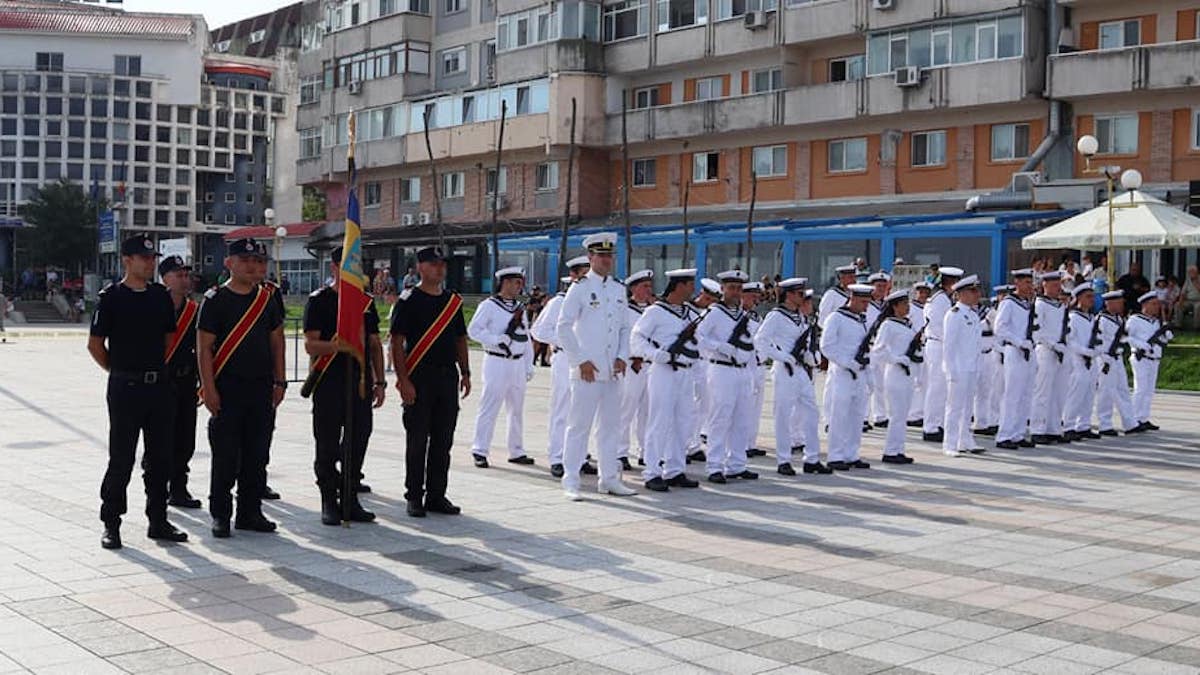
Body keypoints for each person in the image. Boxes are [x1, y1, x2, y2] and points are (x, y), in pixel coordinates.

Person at [86, 234, 188, 550]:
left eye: (152, 258)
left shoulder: (160, 296)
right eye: (144, 258)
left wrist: (151, 370)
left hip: (158, 386)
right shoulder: (111, 297)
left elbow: (169, 340)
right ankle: (112, 523)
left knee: (160, 458)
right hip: (125, 388)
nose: (150, 263)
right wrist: (120, 371)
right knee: (122, 458)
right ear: (127, 261)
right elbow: (95, 345)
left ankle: (158, 519)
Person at [197, 238, 285, 538]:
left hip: (261, 387)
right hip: (227, 387)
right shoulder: (215, 299)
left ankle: (250, 512)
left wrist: (280, 379)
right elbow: (204, 348)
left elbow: (277, 341)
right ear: (229, 263)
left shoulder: (267, 298)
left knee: (257, 453)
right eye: (246, 260)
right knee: (225, 455)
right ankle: (221, 514)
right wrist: (208, 389)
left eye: (259, 261)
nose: (253, 266)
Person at [302, 246, 385, 526]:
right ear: (335, 268)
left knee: (358, 438)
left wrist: (380, 381)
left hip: (360, 380)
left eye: (359, 266)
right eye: (349, 266)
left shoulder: (365, 302)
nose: (356, 272)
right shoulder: (320, 300)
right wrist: (335, 346)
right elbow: (310, 344)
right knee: (326, 441)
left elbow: (374, 343)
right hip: (328, 381)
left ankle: (350, 496)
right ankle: (328, 498)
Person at [555, 232, 637, 500]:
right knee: (578, 426)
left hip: (612, 371)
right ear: (590, 257)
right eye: (601, 256)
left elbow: (625, 328)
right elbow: (563, 327)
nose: (606, 260)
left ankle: (609, 478)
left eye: (609, 255)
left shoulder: (618, 289)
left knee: (611, 426)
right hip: (587, 371)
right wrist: (580, 360)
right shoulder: (579, 289)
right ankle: (571, 479)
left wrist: (623, 356)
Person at [390, 246, 470, 517]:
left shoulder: (452, 302)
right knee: (417, 439)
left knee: (443, 439)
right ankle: (414, 495)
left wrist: (466, 372)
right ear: (421, 267)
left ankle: (437, 495)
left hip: (447, 377)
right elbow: (397, 342)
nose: (440, 269)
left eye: (442, 265)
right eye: (434, 264)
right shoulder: (408, 300)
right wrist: (403, 380)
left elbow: (460, 338)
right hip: (419, 376)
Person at [630, 268, 703, 491]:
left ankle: (675, 469)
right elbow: (636, 338)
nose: (693, 289)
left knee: (683, 422)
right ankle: (652, 471)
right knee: (659, 421)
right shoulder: (655, 311)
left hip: (686, 371)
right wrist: (654, 354)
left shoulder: (690, 313)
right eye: (690, 284)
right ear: (679, 285)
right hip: (663, 371)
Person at [754, 279, 827, 475]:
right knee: (783, 415)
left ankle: (812, 458)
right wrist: (781, 356)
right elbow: (760, 341)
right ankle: (783, 460)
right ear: (788, 294)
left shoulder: (801, 318)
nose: (802, 297)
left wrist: (811, 357)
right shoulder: (776, 316)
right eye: (798, 293)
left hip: (801, 370)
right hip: (785, 369)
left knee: (812, 413)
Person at [529, 256, 593, 477]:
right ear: (573, 275)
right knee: (562, 408)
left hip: (588, 360)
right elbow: (538, 331)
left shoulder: (595, 300)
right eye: (583, 273)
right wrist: (566, 340)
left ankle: (579, 455)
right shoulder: (559, 302)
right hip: (565, 358)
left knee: (583, 409)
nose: (587, 277)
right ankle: (557, 456)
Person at [467, 266, 535, 468]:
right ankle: (480, 449)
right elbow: (474, 330)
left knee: (516, 409)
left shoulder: (518, 308)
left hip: (517, 363)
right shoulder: (489, 305)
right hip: (496, 361)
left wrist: (528, 363)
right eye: (516, 282)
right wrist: (496, 339)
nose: (519, 287)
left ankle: (516, 450)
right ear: (505, 283)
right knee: (490, 406)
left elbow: (526, 336)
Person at [696, 270, 758, 483]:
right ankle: (714, 466)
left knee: (742, 419)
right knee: (720, 418)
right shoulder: (714, 312)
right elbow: (697, 336)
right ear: (722, 289)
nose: (735, 292)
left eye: (739, 288)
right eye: (731, 288)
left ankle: (737, 464)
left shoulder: (742, 315)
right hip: (721, 368)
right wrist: (719, 347)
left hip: (741, 370)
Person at [156, 255, 202, 510]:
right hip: (161, 382)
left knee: (185, 438)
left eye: (187, 275)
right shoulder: (154, 305)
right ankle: (158, 486)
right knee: (162, 438)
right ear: (165, 278)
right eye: (179, 275)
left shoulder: (195, 310)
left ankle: (179, 487)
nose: (185, 280)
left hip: (185, 382)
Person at [821, 284, 873, 471]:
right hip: (842, 373)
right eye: (864, 302)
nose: (866, 306)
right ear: (853, 299)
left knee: (857, 416)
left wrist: (869, 374)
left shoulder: (861, 320)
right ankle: (835, 455)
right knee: (839, 415)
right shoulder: (836, 318)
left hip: (859, 373)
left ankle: (852, 454)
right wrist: (847, 362)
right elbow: (826, 346)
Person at [871, 288, 920, 464]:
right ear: (895, 306)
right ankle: (890, 451)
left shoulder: (908, 323)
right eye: (904, 304)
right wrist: (897, 359)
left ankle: (898, 449)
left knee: (903, 415)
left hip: (908, 373)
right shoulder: (888, 325)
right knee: (897, 415)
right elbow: (877, 351)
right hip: (895, 373)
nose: (907, 307)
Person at [994, 269, 1038, 450]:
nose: (1030, 286)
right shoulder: (1009, 303)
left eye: (1031, 282)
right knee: (1012, 395)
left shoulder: (1028, 304)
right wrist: (1019, 342)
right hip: (1014, 351)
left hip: (1029, 352)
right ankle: (1004, 435)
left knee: (1026, 394)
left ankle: (1018, 433)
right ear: (1017, 283)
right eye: (1027, 283)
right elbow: (1000, 328)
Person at [942, 275, 985, 457]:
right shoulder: (954, 315)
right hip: (958, 368)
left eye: (977, 291)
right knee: (954, 407)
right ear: (961, 294)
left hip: (971, 367)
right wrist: (950, 370)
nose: (977, 294)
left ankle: (965, 439)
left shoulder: (973, 315)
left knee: (968, 406)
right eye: (973, 291)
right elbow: (949, 346)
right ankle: (949, 443)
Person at [921, 265, 964, 442]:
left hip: (941, 344)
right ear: (951, 282)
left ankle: (937, 423)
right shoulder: (940, 300)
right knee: (936, 387)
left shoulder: (943, 298)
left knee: (942, 388)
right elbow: (940, 326)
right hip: (938, 344)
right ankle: (931, 427)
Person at [618, 269, 655, 471]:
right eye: (644, 286)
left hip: (652, 366)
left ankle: (646, 451)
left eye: (650, 286)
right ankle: (621, 452)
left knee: (648, 412)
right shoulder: (624, 310)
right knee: (626, 410)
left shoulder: (653, 310)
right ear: (633, 288)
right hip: (632, 365)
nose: (648, 290)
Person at [1093, 290, 1141, 437]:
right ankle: (1105, 424)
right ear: (1110, 303)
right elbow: (1096, 341)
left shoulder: (1119, 319)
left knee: (1123, 390)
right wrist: (1103, 356)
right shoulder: (1101, 319)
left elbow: (1122, 337)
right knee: (1106, 391)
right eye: (1119, 302)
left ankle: (1130, 422)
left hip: (1117, 357)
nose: (1122, 305)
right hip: (1105, 358)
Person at [1030, 271, 1069, 445]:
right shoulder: (1040, 304)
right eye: (1053, 285)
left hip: (1059, 351)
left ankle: (1053, 428)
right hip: (1045, 349)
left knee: (1058, 391)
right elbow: (1037, 331)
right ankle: (1038, 428)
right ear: (1044, 285)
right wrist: (1053, 344)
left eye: (1058, 284)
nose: (1057, 288)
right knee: (1042, 392)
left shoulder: (1060, 305)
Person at [1126, 291, 1171, 432]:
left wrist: (1166, 336)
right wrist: (1141, 345)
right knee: (1140, 389)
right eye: (1154, 304)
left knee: (1149, 391)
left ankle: (1143, 418)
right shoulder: (1134, 319)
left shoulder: (1156, 321)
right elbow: (1127, 337)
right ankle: (1133, 419)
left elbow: (1160, 340)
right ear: (1144, 305)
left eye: (1157, 304)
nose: (1157, 307)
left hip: (1154, 359)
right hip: (1141, 358)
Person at [1063, 285, 1101, 441]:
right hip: (1077, 359)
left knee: (1089, 393)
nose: (1091, 300)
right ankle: (1068, 425)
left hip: (1091, 360)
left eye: (1092, 297)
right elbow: (1069, 340)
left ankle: (1084, 425)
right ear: (1078, 298)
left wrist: (1096, 350)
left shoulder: (1092, 318)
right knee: (1076, 394)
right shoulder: (1073, 317)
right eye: (1088, 297)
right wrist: (1085, 351)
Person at [740, 281, 767, 458]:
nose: (755, 300)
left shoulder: (757, 318)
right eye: (752, 296)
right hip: (746, 366)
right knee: (744, 407)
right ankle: (741, 445)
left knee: (756, 409)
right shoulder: (738, 317)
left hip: (760, 366)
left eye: (757, 297)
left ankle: (751, 442)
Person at [906, 281, 932, 427]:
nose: (923, 295)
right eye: (920, 292)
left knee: (925, 382)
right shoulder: (911, 308)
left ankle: (921, 412)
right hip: (913, 346)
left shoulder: (929, 307)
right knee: (916, 382)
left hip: (926, 346)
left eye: (926, 292)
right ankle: (912, 414)